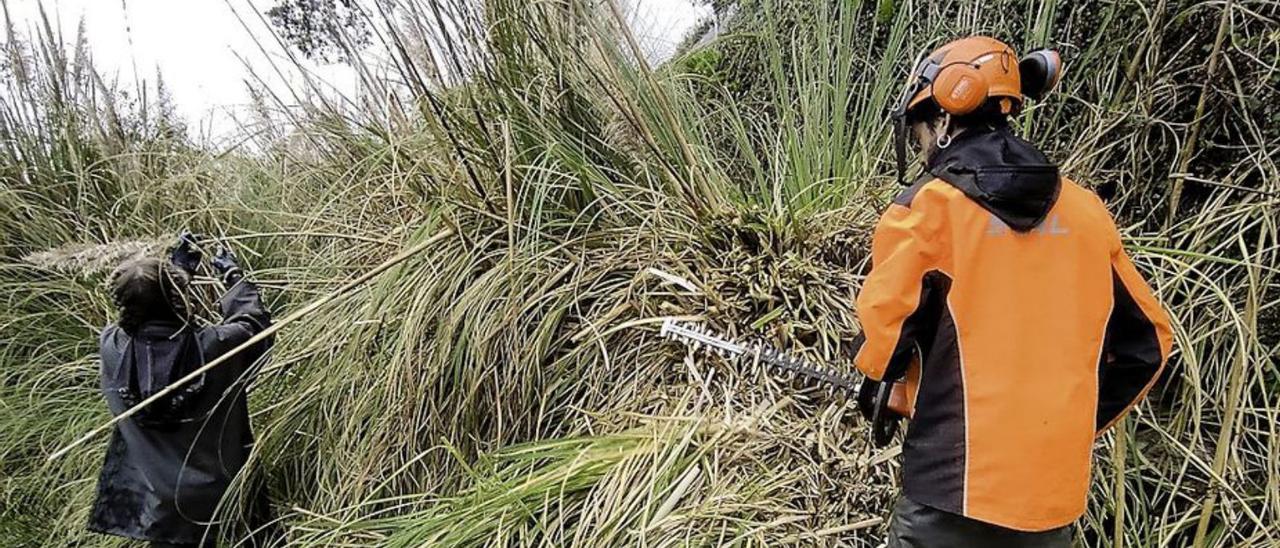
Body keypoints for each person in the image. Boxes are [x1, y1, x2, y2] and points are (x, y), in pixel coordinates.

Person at [851, 37, 1174, 546]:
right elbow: (1150, 343)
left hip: (949, 491)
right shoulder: (1087, 213)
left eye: (919, 131)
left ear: (943, 120)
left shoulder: (927, 209)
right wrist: (1065, 426)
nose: (919, 145)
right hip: (1051, 497)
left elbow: (883, 346)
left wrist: (886, 387)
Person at [87, 235, 276, 548]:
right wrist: (232, 278)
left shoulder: (113, 348)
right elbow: (255, 326)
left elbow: (141, 324)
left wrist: (175, 277)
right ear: (176, 298)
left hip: (160, 506)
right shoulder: (216, 348)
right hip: (226, 497)